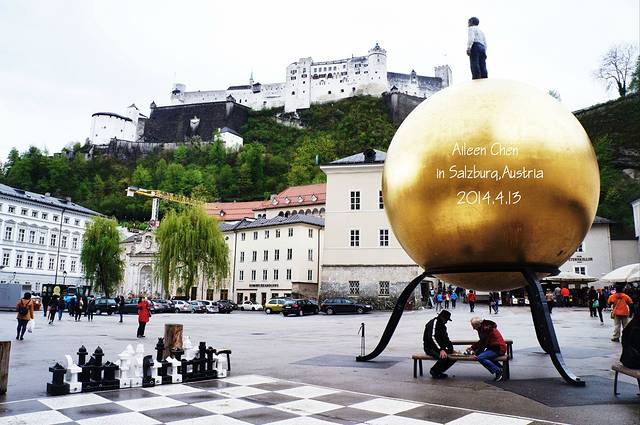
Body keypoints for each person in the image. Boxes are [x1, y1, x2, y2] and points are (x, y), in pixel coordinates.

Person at [423, 310, 456, 379]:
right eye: (446, 319)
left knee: (454, 357)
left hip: (439, 348)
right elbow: (432, 338)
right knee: (444, 357)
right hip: (430, 347)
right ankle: (434, 371)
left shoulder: (443, 326)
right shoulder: (434, 323)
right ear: (442, 317)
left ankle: (439, 371)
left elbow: (446, 339)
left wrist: (451, 349)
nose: (446, 322)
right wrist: (441, 350)